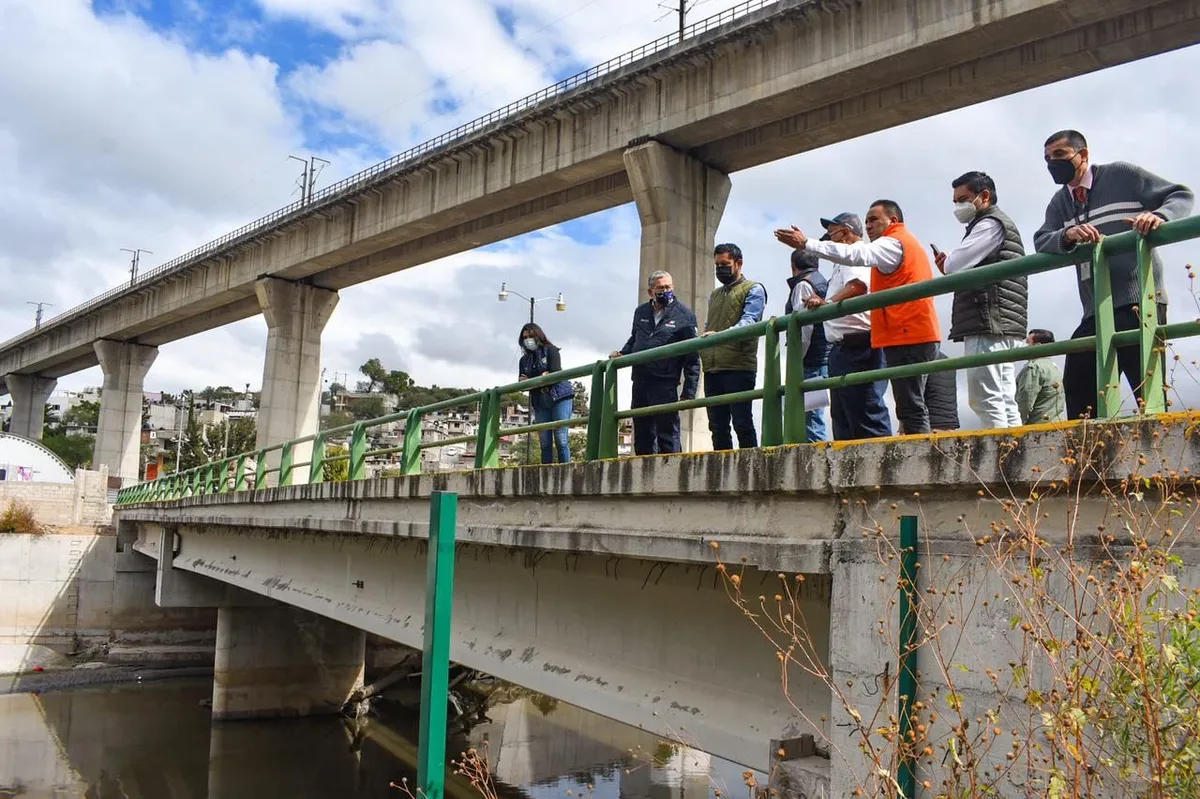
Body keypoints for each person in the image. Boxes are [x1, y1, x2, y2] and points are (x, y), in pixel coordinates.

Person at [1033, 129, 1194, 419]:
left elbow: (1180, 195)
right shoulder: (1060, 202)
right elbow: (1042, 239)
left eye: (1059, 155)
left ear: (1082, 155)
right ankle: (1087, 459)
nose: (1052, 163)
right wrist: (1067, 234)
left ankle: (1161, 452)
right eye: (1047, 159)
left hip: (1138, 301)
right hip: (1095, 308)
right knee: (1079, 384)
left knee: (1147, 390)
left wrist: (1158, 216)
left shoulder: (1122, 175)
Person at [776, 200, 942, 434]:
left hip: (895, 335)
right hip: (893, 335)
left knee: (884, 411)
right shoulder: (888, 247)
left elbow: (857, 270)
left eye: (874, 219)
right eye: (866, 221)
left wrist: (806, 243)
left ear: (893, 220)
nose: (869, 225)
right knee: (857, 415)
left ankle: (919, 462)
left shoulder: (891, 243)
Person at [933, 171, 1027, 428]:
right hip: (1002, 319)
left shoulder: (989, 223)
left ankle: (1002, 456)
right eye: (955, 201)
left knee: (986, 397)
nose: (958, 207)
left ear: (984, 196)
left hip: (987, 317)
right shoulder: (995, 223)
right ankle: (1013, 452)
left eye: (963, 199)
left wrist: (950, 262)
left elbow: (955, 264)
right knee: (1004, 397)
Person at [785, 213, 891, 441]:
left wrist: (829, 303)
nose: (827, 240)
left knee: (865, 412)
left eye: (831, 234)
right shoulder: (841, 266)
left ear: (845, 233)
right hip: (844, 346)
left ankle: (878, 472)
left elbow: (858, 286)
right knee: (845, 416)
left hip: (859, 344)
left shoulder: (855, 259)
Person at [610, 271, 700, 455]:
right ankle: (644, 476)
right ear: (651, 291)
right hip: (641, 380)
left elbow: (692, 356)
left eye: (668, 287)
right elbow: (636, 337)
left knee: (667, 433)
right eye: (660, 288)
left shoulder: (684, 315)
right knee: (642, 433)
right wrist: (623, 353)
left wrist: (689, 392)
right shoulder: (641, 311)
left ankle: (673, 473)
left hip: (665, 382)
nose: (665, 291)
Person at [700, 243, 767, 450]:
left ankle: (753, 470)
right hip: (712, 366)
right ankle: (721, 471)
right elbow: (709, 325)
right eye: (717, 265)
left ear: (739, 263)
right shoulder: (715, 295)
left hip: (739, 366)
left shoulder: (754, 289)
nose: (720, 268)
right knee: (717, 426)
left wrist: (718, 336)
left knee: (742, 422)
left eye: (725, 264)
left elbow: (750, 321)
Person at [785, 249, 830, 442]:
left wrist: (795, 361)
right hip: (823, 355)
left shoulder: (803, 285)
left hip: (810, 359)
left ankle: (816, 462)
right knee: (813, 413)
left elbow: (804, 329)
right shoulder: (822, 281)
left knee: (811, 416)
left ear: (793, 265)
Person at [517, 323, 573, 463]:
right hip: (540, 400)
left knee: (561, 438)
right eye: (525, 337)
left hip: (559, 396)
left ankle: (565, 469)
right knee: (544, 441)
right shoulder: (524, 360)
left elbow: (554, 372)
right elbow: (522, 382)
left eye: (531, 336)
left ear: (538, 335)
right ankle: (546, 472)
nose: (528, 340)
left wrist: (533, 380)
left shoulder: (551, 350)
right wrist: (540, 378)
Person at [1016, 328, 1066, 424]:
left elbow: (1025, 401)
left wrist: (1016, 426)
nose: (1024, 346)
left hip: (1035, 427)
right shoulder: (1055, 368)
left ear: (1037, 346)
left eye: (1027, 343)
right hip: (1055, 425)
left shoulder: (1034, 368)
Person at [923, 352, 960, 432]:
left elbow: (912, 397)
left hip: (931, 426)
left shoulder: (920, 358)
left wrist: (903, 427)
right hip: (949, 425)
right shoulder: (948, 361)